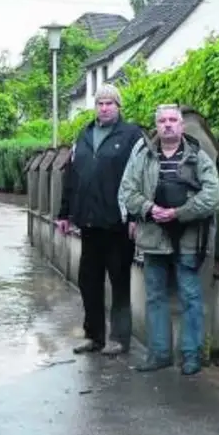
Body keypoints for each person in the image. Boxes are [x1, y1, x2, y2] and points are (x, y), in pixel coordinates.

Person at [118, 104, 219, 374]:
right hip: (153, 238)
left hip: (188, 240)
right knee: (155, 297)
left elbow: (213, 196)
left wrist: (180, 212)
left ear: (181, 125)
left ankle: (191, 356)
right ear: (157, 126)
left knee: (191, 297)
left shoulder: (198, 156)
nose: (167, 124)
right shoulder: (142, 156)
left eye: (172, 120)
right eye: (162, 120)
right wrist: (150, 208)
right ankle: (159, 354)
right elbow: (127, 191)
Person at [56, 84, 146, 356]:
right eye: (100, 103)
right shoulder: (84, 135)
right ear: (95, 107)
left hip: (118, 224)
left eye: (110, 103)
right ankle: (94, 336)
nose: (104, 108)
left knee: (119, 282)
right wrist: (64, 213)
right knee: (89, 282)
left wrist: (134, 216)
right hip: (89, 223)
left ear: (118, 106)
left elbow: (141, 178)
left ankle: (119, 338)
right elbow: (71, 176)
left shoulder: (132, 135)